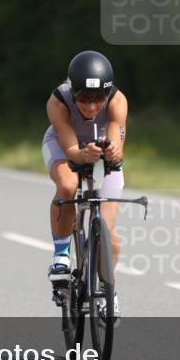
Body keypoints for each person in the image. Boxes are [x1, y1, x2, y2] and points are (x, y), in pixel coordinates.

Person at [42, 51, 127, 320]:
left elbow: (116, 141)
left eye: (98, 99)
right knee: (68, 185)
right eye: (83, 100)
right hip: (64, 145)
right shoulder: (58, 101)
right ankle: (61, 254)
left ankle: (107, 289)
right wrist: (82, 155)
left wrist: (112, 152)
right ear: (72, 91)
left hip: (98, 148)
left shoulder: (118, 101)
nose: (91, 107)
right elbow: (70, 148)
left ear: (108, 92)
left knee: (110, 234)